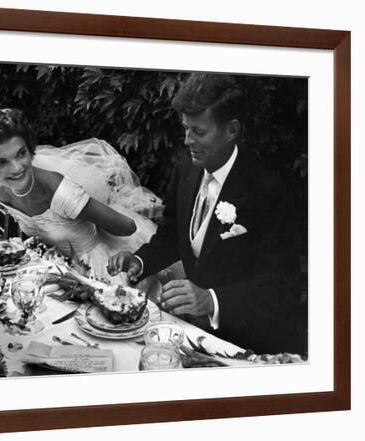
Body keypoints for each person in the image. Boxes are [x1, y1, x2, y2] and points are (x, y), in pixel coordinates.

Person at [108, 73, 305, 354]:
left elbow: (279, 287)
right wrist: (139, 261)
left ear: (231, 130)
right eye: (185, 129)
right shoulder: (185, 169)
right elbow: (171, 236)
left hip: (250, 340)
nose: (188, 140)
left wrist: (211, 300)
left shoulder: (269, 192)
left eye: (198, 132)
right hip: (195, 333)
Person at [0, 106, 159, 284]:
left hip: (102, 272)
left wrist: (88, 214)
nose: (16, 167)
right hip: (61, 270)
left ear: (29, 149)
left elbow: (128, 227)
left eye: (21, 154)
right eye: (1, 163)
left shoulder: (60, 192)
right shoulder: (3, 193)